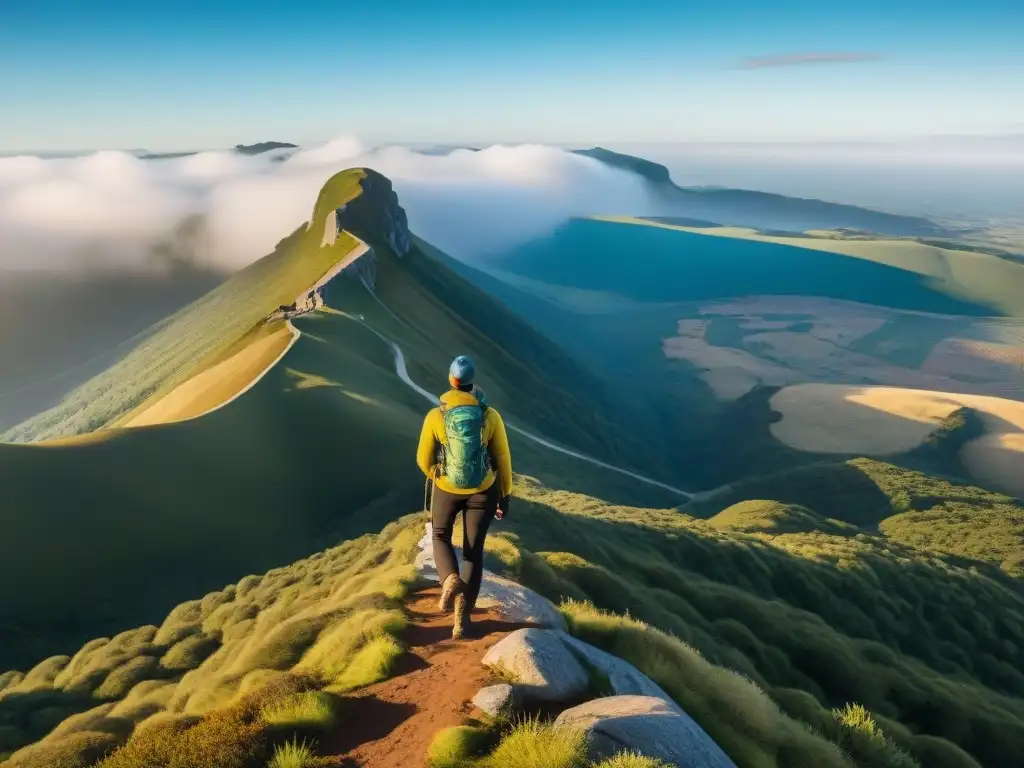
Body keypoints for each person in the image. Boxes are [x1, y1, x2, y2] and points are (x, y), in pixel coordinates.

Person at [417, 355, 512, 639]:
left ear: (451, 380)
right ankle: (462, 619)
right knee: (473, 552)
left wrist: (437, 474)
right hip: (484, 490)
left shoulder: (437, 416)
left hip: (447, 487)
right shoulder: (489, 415)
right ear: (473, 383)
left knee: (440, 535)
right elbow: (502, 457)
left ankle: (449, 579)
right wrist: (504, 496)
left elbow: (422, 458)